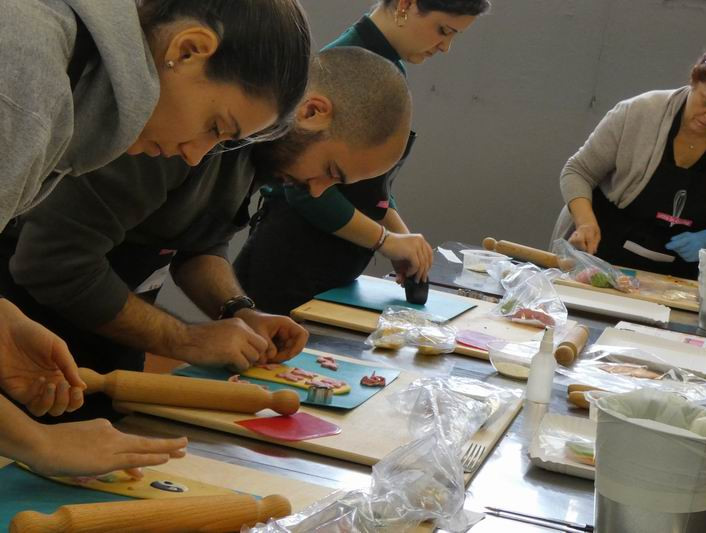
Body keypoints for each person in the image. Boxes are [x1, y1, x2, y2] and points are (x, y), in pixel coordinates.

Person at [0, 46, 411, 422]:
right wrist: (185, 339)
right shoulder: (180, 134)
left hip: (106, 347)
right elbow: (52, 262)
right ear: (313, 111)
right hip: (28, 347)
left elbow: (199, 240)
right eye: (330, 172)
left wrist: (239, 311)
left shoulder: (259, 150)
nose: (318, 191)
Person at [0, 0, 310, 475]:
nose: (196, 155)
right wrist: (38, 442)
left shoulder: (68, 76)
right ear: (188, 50)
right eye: (215, 127)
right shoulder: (28, 74)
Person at [235, 0, 490, 315]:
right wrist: (385, 240)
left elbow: (370, 186)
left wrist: (401, 236)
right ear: (405, 5)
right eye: (443, 30)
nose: (445, 47)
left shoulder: (387, 66)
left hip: (326, 264)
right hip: (290, 262)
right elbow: (304, 191)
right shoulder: (348, 63)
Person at [551, 22, 706, 280]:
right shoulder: (639, 112)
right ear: (694, 80)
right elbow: (577, 172)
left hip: (674, 282)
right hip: (599, 260)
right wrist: (585, 222)